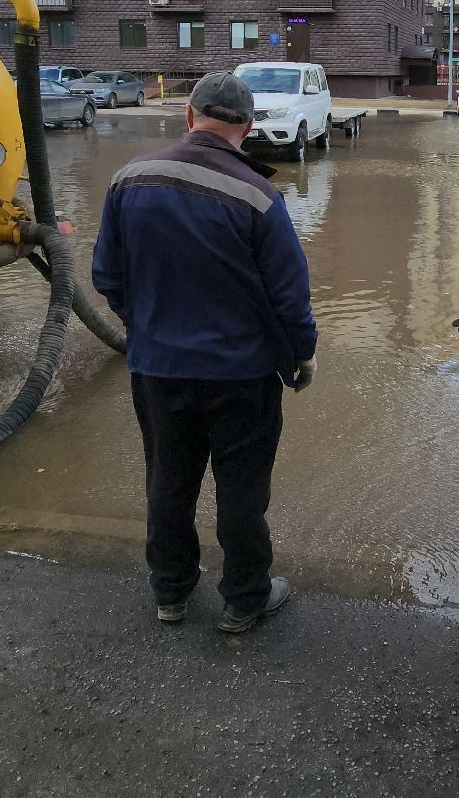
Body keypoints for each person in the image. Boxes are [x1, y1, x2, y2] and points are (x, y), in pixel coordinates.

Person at [91, 73, 318, 633]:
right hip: (242, 376)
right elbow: (290, 298)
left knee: (168, 480)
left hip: (157, 370)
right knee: (241, 490)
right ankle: (244, 600)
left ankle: (170, 592)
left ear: (190, 117)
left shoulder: (128, 181)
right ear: (245, 128)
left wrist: (145, 327)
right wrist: (301, 355)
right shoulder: (259, 197)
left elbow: (107, 276)